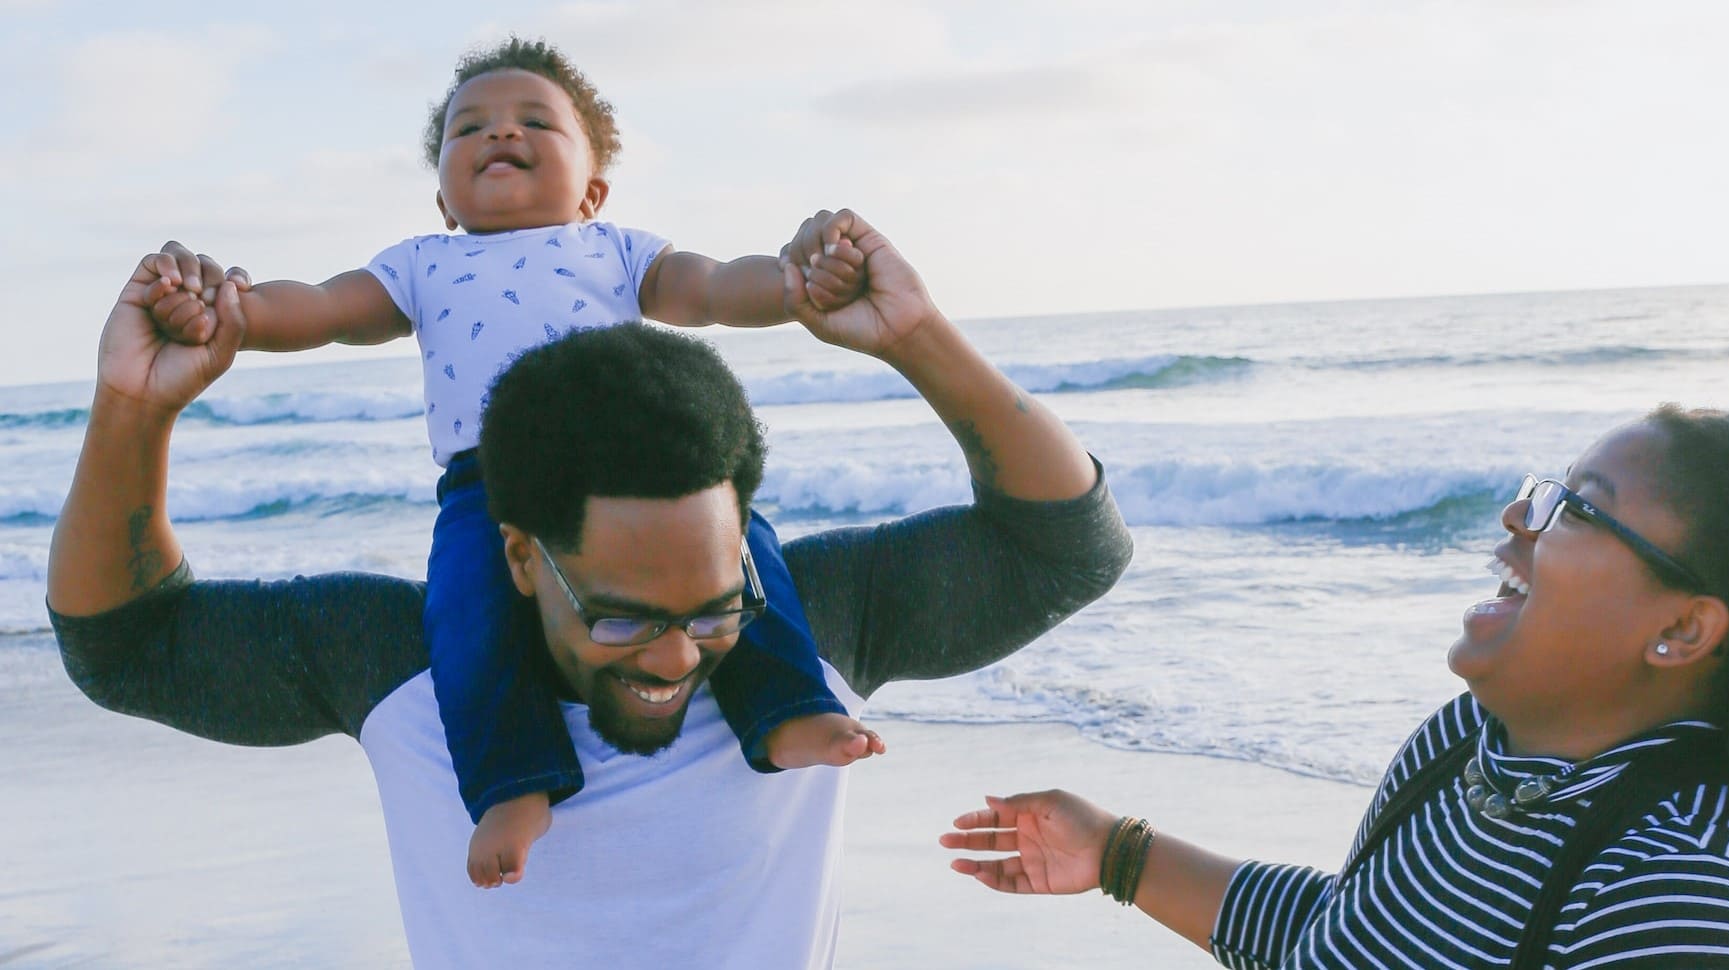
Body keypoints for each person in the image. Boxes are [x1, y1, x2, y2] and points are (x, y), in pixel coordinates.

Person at [50, 209, 1133, 968]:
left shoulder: (807, 623)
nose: (675, 656)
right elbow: (125, 646)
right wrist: (133, 411)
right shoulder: (402, 662)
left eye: (715, 606)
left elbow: (1069, 546)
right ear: (519, 554)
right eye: (622, 615)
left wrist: (917, 339)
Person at [140, 36, 880, 888]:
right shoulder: (423, 263)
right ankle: (512, 783)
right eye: (470, 129)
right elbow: (321, 309)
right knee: (464, 616)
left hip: (629, 467)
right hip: (485, 486)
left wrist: (795, 285)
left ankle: (789, 710)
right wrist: (226, 309)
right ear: (445, 199)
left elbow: (713, 286)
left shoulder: (618, 249)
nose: (499, 135)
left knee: (745, 553)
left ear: (594, 191)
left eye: (534, 121)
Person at [941, 408, 1729, 968]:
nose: (1519, 517)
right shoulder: (1466, 749)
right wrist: (1117, 854)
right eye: (1549, 487)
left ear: (1683, 629)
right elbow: (1347, 936)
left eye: (1576, 509)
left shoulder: (1687, 904)